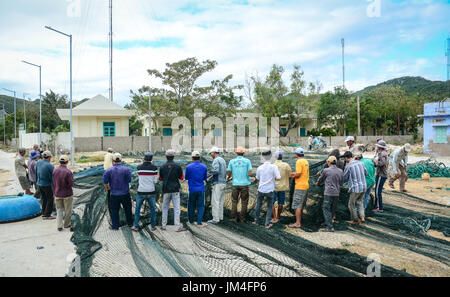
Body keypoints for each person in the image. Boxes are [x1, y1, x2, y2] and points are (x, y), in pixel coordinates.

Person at [103, 153, 133, 230]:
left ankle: (115, 226)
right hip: (125, 193)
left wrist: (108, 188)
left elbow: (105, 182)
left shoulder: (108, 170)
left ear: (112, 161)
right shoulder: (126, 169)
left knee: (114, 211)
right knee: (128, 209)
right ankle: (130, 224)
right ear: (121, 160)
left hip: (114, 194)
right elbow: (129, 180)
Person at [159, 149, 186, 232]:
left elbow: (160, 178)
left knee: (165, 208)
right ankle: (177, 227)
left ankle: (163, 225)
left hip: (166, 189)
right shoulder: (177, 166)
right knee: (176, 208)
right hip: (175, 189)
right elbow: (181, 177)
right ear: (173, 157)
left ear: (166, 157)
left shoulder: (162, 166)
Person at [315, 156, 344, 232]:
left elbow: (320, 179)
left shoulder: (326, 170)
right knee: (332, 209)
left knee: (326, 208)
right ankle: (328, 222)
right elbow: (341, 183)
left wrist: (317, 183)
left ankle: (329, 227)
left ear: (329, 162)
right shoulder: (340, 171)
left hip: (328, 193)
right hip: (337, 193)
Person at [253, 151, 281, 229]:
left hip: (261, 189)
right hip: (270, 190)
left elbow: (257, 179)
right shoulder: (274, 167)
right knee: (269, 207)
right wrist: (272, 179)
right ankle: (267, 223)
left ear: (263, 157)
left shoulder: (259, 167)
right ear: (271, 156)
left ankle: (256, 221)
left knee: (258, 205)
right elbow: (278, 177)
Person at [132, 152, 158, 232]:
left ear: (144, 158)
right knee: (153, 209)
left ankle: (136, 226)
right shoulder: (154, 168)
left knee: (137, 209)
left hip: (141, 191)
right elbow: (155, 181)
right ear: (151, 159)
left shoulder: (139, 167)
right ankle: (153, 226)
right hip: (151, 191)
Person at [227, 147, 253, 223]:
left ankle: (233, 218)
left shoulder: (232, 161)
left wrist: (229, 177)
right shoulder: (247, 161)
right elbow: (250, 173)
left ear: (236, 153)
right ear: (243, 153)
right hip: (244, 184)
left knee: (234, 201)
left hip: (235, 184)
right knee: (244, 202)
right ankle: (242, 219)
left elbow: (229, 172)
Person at [185, 151, 208, 227]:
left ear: (192, 158)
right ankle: (199, 222)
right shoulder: (204, 167)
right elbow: (205, 178)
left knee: (191, 205)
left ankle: (191, 221)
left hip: (192, 189)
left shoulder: (188, 167)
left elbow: (186, 177)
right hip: (201, 189)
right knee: (200, 206)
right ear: (199, 158)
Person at [343, 152, 367, 225]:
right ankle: (362, 217)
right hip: (363, 186)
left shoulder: (348, 166)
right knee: (360, 202)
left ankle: (355, 220)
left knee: (351, 204)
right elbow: (366, 173)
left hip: (355, 188)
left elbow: (345, 178)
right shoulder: (361, 163)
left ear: (346, 158)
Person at [52, 155, 74, 232]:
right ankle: (67, 224)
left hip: (57, 193)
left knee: (59, 210)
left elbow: (53, 182)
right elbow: (71, 183)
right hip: (67, 194)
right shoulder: (68, 172)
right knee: (68, 210)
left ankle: (59, 226)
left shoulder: (55, 170)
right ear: (67, 162)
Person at [289, 148, 309, 229]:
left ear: (296, 154)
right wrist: (295, 173)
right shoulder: (305, 161)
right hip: (305, 185)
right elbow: (302, 172)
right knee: (301, 204)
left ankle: (297, 223)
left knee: (297, 205)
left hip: (300, 186)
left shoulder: (299, 161)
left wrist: (291, 176)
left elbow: (298, 174)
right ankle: (299, 221)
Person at [208, 147, 227, 224]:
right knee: (220, 201)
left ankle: (215, 219)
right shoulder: (222, 160)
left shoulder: (216, 160)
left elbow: (216, 171)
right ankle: (220, 217)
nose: (211, 155)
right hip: (223, 183)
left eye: (211, 153)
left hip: (218, 183)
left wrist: (207, 174)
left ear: (214, 153)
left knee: (215, 201)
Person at [272, 151, 292, 224]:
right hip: (283, 187)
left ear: (275, 157)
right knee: (281, 203)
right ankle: (278, 217)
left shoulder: (273, 165)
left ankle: (274, 218)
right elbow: (290, 175)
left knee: (273, 203)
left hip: (274, 187)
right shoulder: (286, 165)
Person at [36, 151, 55, 220]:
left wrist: (37, 181)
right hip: (47, 184)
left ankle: (43, 213)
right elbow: (54, 176)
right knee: (50, 199)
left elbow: (36, 172)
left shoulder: (38, 162)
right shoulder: (50, 165)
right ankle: (47, 215)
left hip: (39, 183)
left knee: (44, 198)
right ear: (49, 157)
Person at [373, 141, 389, 213]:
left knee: (377, 191)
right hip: (380, 174)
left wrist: (375, 162)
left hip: (381, 175)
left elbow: (382, 163)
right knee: (377, 190)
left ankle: (380, 207)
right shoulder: (383, 153)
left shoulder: (382, 154)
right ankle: (377, 206)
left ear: (380, 147)